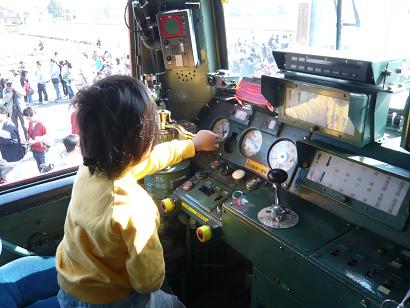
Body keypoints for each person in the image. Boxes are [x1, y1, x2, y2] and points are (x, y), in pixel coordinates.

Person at [55, 75, 219, 307]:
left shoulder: (90, 170)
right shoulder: (135, 208)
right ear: (145, 138)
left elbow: (145, 162)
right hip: (110, 300)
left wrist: (192, 145)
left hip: (69, 288)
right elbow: (148, 282)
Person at [23, 106, 54, 173]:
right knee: (40, 166)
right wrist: (29, 138)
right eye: (27, 119)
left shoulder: (43, 124)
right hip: (34, 149)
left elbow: (48, 140)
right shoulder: (31, 122)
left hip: (41, 150)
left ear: (34, 114)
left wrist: (36, 141)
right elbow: (29, 133)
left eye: (29, 118)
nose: (29, 120)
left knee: (44, 169)